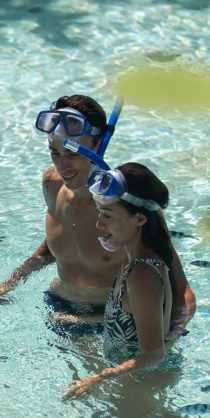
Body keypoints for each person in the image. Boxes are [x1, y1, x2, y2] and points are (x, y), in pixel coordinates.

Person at [0, 94, 195, 337]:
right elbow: (58, 241)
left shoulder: (127, 203)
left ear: (98, 144)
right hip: (57, 306)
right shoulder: (52, 183)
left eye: (73, 154)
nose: (62, 166)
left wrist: (171, 333)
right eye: (55, 153)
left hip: (111, 321)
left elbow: (182, 293)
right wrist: (10, 283)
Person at [62, 163, 180, 400]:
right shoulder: (134, 262)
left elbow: (153, 354)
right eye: (98, 213)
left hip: (142, 386)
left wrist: (98, 378)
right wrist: (83, 319)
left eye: (106, 215)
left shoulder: (142, 275)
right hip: (131, 378)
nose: (99, 225)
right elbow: (134, 320)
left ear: (139, 219)